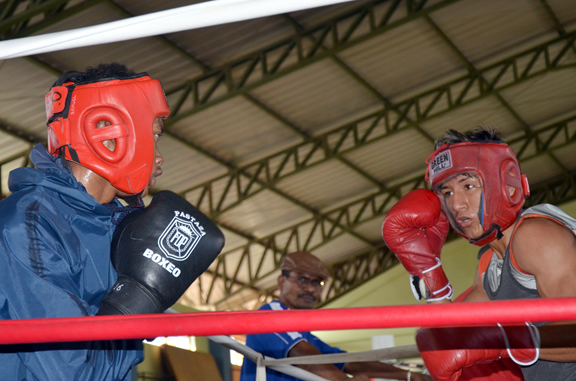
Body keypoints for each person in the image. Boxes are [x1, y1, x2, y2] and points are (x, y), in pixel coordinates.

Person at [0, 63, 224, 380]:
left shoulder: (119, 224)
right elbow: (75, 372)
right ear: (105, 134)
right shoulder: (28, 224)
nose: (159, 158)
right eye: (155, 136)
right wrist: (137, 299)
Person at [382, 126, 576, 381]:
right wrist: (428, 271)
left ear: (506, 184)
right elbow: (455, 334)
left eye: (468, 185)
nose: (456, 204)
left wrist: (506, 339)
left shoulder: (536, 235)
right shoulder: (489, 264)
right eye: (447, 192)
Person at [240, 251, 432, 381]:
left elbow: (346, 361)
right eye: (302, 279)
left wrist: (410, 376)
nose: (310, 288)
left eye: (318, 283)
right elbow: (302, 355)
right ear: (281, 282)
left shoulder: (306, 336)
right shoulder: (267, 316)